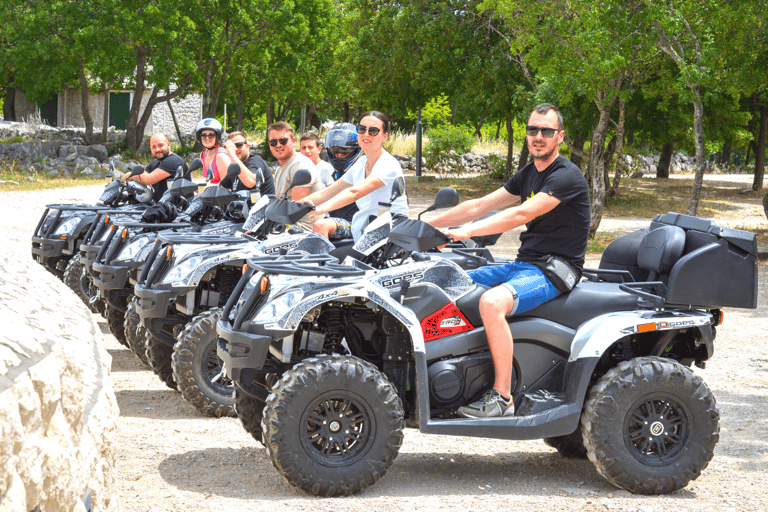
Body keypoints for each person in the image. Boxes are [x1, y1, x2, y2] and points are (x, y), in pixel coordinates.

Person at [427, 103, 591, 418]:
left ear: (560, 137)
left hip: (554, 270)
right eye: (533, 130)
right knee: (447, 280)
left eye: (546, 131)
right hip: (524, 264)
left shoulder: (566, 176)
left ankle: (502, 396)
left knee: (491, 303)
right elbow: (479, 205)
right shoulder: (529, 173)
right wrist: (430, 227)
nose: (538, 137)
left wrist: (464, 233)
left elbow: (520, 214)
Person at [298, 111, 408, 242]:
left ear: (384, 136)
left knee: (335, 261)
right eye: (361, 129)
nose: (366, 134)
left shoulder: (388, 164)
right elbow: (327, 193)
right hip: (365, 231)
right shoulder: (361, 163)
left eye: (373, 131)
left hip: (389, 232)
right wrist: (293, 206)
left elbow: (354, 192)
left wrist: (319, 209)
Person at [268, 121, 323, 231]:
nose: (278, 145)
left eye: (283, 141)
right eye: (273, 142)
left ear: (293, 142)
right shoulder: (280, 169)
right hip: (287, 225)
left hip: (303, 229)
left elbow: (296, 211)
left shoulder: (299, 164)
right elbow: (276, 202)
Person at [121, 133, 188, 202]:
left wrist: (129, 175)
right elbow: (143, 176)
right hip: (161, 206)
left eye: (160, 145)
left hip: (179, 209)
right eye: (154, 147)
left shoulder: (174, 160)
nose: (157, 149)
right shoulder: (155, 163)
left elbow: (148, 179)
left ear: (168, 144)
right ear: (150, 148)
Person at [222, 131, 275, 196]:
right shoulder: (235, 165)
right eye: (231, 147)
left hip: (261, 205)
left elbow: (251, 182)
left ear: (247, 147)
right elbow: (223, 187)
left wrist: (232, 154)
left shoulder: (255, 161)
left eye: (239, 145)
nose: (235, 149)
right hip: (240, 205)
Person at [196, 118, 231, 186]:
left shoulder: (221, 156)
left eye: (211, 135)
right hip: (211, 193)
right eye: (204, 135)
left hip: (222, 194)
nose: (207, 138)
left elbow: (227, 185)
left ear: (217, 137)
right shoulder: (203, 154)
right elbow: (209, 181)